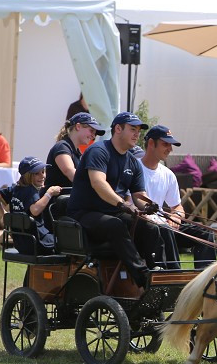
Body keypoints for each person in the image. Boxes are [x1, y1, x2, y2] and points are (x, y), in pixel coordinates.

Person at [67, 112, 161, 287]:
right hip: (84, 213)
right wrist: (123, 204)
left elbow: (139, 195)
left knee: (150, 228)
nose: (136, 134)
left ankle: (155, 270)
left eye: (138, 131)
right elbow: (98, 183)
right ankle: (142, 277)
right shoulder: (98, 151)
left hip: (113, 213)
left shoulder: (133, 162)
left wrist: (149, 205)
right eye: (132, 129)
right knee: (115, 225)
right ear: (118, 129)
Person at [138, 125, 217, 268]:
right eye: (165, 144)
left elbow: (177, 206)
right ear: (151, 143)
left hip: (164, 226)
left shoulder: (168, 174)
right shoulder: (135, 168)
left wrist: (176, 216)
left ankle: (205, 280)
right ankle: (175, 275)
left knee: (205, 234)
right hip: (144, 228)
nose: (170, 149)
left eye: (171, 145)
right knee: (165, 228)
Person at [0, 157, 59, 255]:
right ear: (27, 176)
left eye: (43, 172)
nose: (42, 176)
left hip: (20, 243)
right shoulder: (30, 191)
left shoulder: (14, 189)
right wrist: (49, 193)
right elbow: (35, 210)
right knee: (66, 242)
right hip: (38, 242)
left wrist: (4, 214)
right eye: (37, 173)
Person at [46, 112, 105, 190]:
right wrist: (96, 187)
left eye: (95, 134)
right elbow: (69, 171)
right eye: (91, 131)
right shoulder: (62, 146)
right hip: (55, 200)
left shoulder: (77, 152)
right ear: (78, 126)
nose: (93, 136)